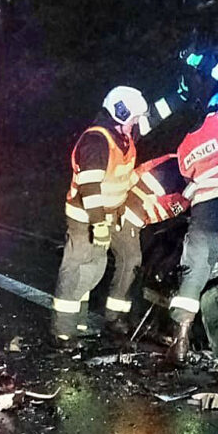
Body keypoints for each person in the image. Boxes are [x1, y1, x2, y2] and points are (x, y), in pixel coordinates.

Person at [145, 50, 218, 364]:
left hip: (202, 209)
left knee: (195, 270)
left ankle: (180, 339)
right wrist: (196, 57)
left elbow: (188, 176)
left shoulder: (188, 141)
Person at [51, 86, 149, 343]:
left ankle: (78, 326)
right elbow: (90, 187)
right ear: (120, 114)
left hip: (106, 214)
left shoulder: (122, 136)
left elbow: (154, 119)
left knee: (94, 267)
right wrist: (100, 225)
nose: (136, 125)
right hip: (85, 218)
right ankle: (63, 332)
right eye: (133, 119)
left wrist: (180, 95)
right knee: (78, 267)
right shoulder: (96, 141)